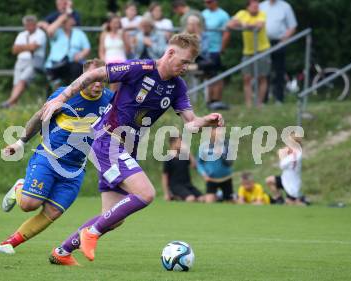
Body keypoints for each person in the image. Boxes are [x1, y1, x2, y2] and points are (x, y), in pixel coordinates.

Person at [41, 33, 224, 264]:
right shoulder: (140, 68)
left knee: (113, 217)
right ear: (170, 53)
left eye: (189, 63)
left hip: (125, 148)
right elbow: (96, 73)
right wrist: (63, 97)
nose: (186, 67)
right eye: (184, 62)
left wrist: (206, 120)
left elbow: (191, 123)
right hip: (108, 140)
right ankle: (91, 233)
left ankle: (63, 251)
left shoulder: (177, 86)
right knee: (146, 194)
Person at [0, 59, 114, 257]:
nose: (98, 83)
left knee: (53, 212)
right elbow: (38, 117)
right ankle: (19, 188)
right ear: (83, 78)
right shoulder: (65, 95)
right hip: (49, 159)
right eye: (93, 79)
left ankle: (9, 243)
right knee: (28, 205)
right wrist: (20, 143)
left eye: (102, 79)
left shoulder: (110, 100)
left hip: (76, 168)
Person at [227, 0, 271, 108]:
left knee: (262, 77)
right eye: (254, 5)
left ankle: (260, 103)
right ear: (248, 7)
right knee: (246, 77)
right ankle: (249, 104)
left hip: (262, 50)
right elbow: (230, 24)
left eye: (257, 5)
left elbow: (259, 26)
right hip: (248, 51)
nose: (256, 7)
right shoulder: (242, 13)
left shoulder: (262, 14)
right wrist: (244, 24)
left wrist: (244, 24)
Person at [1, 15, 47, 108]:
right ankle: (12, 105)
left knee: (23, 80)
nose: (29, 27)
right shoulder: (21, 34)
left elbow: (34, 47)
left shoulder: (40, 34)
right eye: (27, 25)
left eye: (31, 24)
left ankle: (9, 102)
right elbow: (14, 50)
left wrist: (21, 47)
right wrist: (28, 46)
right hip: (20, 60)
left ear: (35, 24)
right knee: (16, 83)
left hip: (33, 61)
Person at [260, 0, 297, 104]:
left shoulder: (285, 6)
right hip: (264, 43)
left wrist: (285, 38)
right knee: (264, 72)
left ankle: (279, 99)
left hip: (279, 42)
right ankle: (263, 99)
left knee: (279, 71)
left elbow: (293, 26)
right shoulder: (261, 6)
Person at [44, 16, 90, 88]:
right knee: (54, 76)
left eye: (67, 20)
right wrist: (63, 17)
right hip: (55, 64)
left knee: (77, 69)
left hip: (73, 64)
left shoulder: (79, 34)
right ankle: (58, 92)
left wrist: (81, 55)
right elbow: (49, 31)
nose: (65, 23)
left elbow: (87, 48)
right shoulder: (56, 33)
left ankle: (74, 92)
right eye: (64, 21)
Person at [201, 0, 231, 110]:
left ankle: (217, 100)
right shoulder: (203, 14)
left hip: (216, 49)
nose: (207, 4)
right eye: (205, 2)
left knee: (216, 75)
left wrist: (221, 48)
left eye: (209, 2)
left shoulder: (223, 15)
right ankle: (210, 101)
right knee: (208, 75)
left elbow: (227, 33)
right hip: (204, 50)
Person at [266, 133, 308, 206]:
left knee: (290, 203)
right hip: (285, 179)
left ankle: (301, 200)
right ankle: (279, 198)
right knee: (269, 180)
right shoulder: (292, 153)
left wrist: (282, 155)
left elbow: (282, 165)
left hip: (292, 182)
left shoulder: (297, 154)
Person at [197, 127, 234, 203]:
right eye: (217, 130)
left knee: (230, 202)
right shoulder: (204, 146)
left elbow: (230, 162)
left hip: (226, 178)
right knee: (209, 201)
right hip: (211, 179)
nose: (219, 132)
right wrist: (203, 174)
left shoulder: (226, 145)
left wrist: (222, 155)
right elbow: (199, 163)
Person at [162, 136, 203, 202]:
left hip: (188, 184)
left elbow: (195, 166)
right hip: (175, 186)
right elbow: (164, 176)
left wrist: (188, 152)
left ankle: (178, 197)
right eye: (179, 142)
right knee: (191, 199)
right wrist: (166, 193)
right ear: (173, 144)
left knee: (202, 199)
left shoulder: (185, 156)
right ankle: (174, 196)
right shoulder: (168, 158)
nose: (182, 144)